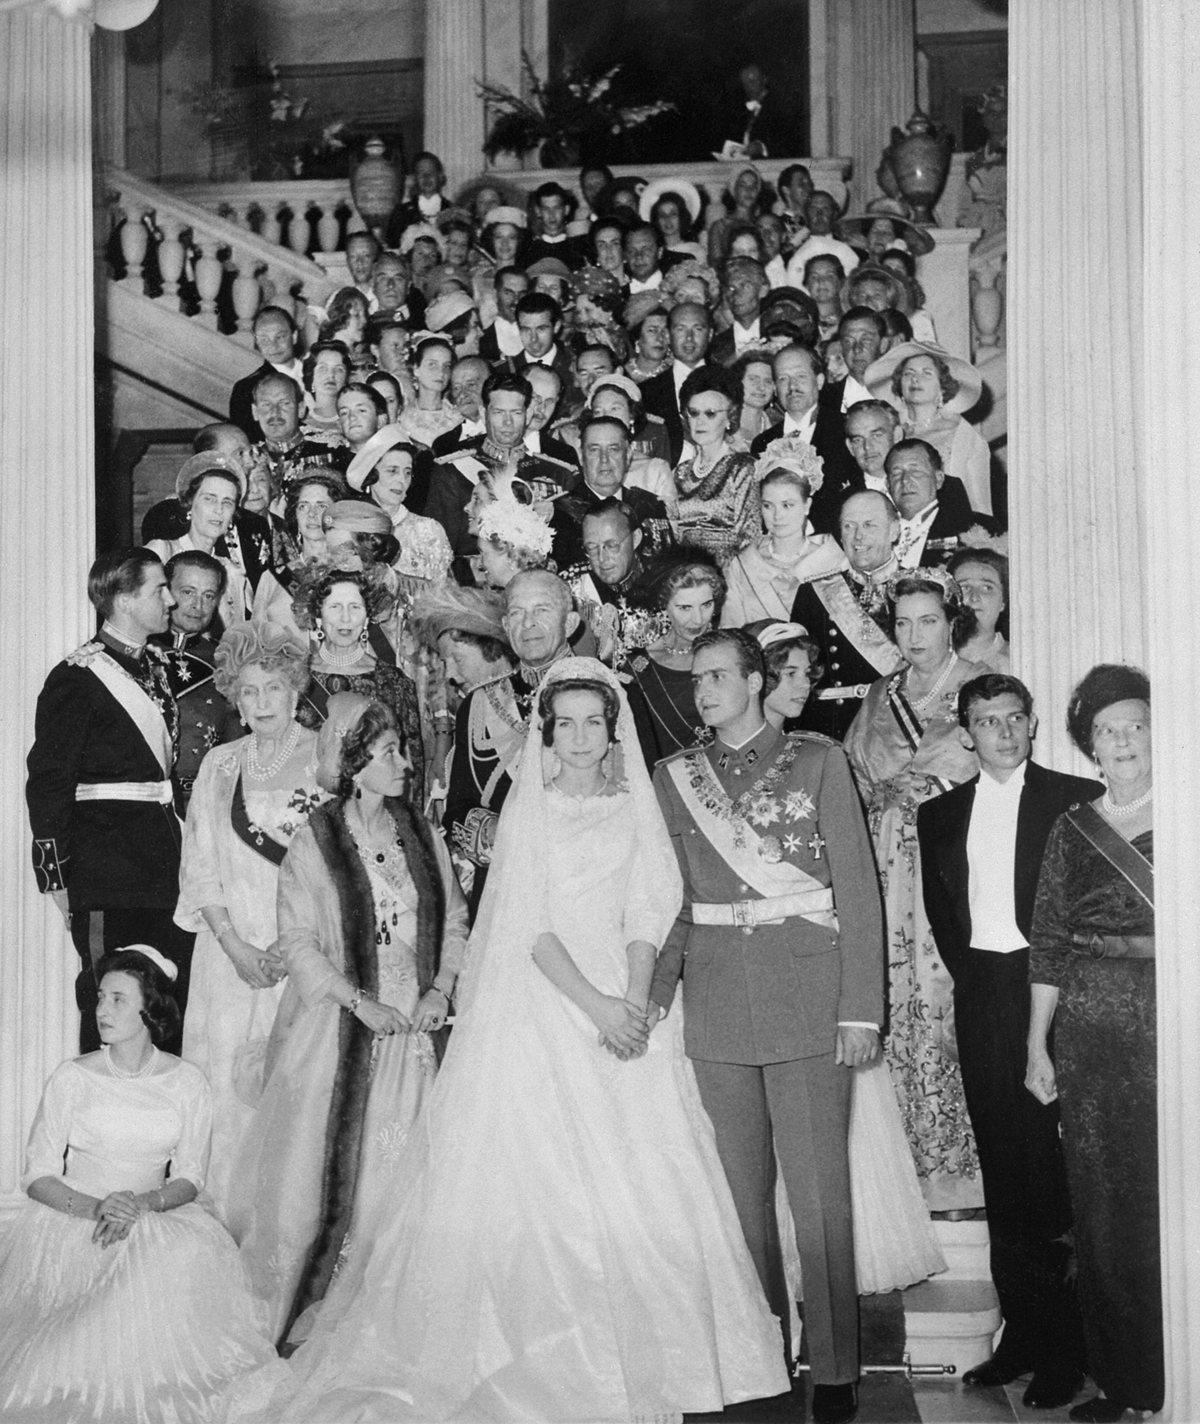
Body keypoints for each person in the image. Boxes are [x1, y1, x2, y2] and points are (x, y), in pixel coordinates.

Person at [226, 659, 790, 1422]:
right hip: (550, 1000)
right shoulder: (537, 808)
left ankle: (670, 1357)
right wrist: (597, 1007)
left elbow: (649, 904)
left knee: (648, 1175)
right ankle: (558, 1354)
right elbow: (529, 927)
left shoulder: (635, 805)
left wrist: (633, 998)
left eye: (596, 721)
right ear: (547, 732)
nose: (583, 737)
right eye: (567, 723)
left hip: (625, 1002)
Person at [650, 628, 886, 1424]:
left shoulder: (817, 763)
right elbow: (669, 903)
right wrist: (651, 1001)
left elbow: (857, 889)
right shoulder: (673, 778)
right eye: (697, 678)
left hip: (809, 999)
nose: (704, 690)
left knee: (819, 1195)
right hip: (715, 1004)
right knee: (737, 1199)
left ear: (758, 681)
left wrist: (861, 1009)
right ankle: (761, 1351)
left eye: (719, 675)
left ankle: (836, 1366)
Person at [230, 696, 468, 1344]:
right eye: (390, 751)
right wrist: (358, 1000)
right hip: (342, 1025)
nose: (403, 762)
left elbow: (453, 920)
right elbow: (299, 940)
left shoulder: (421, 831)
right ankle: (318, 1311)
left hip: (418, 1035)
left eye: (401, 749)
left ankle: (403, 1319)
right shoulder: (318, 838)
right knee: (327, 1182)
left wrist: (440, 989)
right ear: (356, 761)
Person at [917, 673, 1098, 1408]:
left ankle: (1065, 1349)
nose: (1003, 731)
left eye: (1014, 718)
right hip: (984, 991)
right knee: (1002, 1168)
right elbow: (942, 916)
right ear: (967, 731)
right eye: (987, 720)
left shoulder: (1073, 800)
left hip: (1051, 988)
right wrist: (981, 986)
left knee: (1049, 1175)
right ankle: (1019, 1338)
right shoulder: (939, 816)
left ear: (1031, 724)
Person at [0, 946, 276, 1423]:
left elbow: (190, 1175)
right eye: (101, 998)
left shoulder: (187, 1081)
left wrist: (143, 1204)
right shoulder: (73, 1077)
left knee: (171, 1268)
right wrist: (97, 1208)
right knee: (61, 1357)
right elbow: (36, 1174)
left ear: (151, 1008)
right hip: (77, 1217)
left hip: (152, 1214)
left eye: (118, 1000)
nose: (102, 1011)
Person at [1026, 666, 1161, 1423]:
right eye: (1108, 731)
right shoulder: (1074, 828)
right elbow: (1047, 943)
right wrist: (1036, 1047)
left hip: (1175, 1018)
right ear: (1089, 747)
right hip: (1094, 1035)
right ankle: (1125, 1382)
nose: (1123, 741)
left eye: (1136, 724)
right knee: (1107, 1207)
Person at [844, 571, 988, 1211]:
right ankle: (901, 1178)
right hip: (880, 868)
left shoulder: (977, 687)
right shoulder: (880, 694)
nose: (913, 635)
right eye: (902, 623)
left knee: (940, 1003)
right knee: (889, 999)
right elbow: (852, 769)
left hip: (948, 869)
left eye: (927, 621)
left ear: (950, 622)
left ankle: (957, 1176)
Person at [173, 624, 324, 1219]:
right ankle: (222, 1221)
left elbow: (338, 870)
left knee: (294, 1088)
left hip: (303, 955)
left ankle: (288, 1225)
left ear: (295, 690)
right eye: (250, 692)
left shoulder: (322, 757)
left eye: (274, 690)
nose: (261, 704)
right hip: (229, 958)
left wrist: (297, 948)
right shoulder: (219, 764)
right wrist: (234, 946)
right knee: (227, 1089)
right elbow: (199, 867)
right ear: (234, 696)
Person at [27, 550, 189, 1051]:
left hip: (163, 865)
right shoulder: (77, 677)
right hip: (106, 872)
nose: (170, 599)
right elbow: (49, 780)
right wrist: (57, 875)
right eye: (159, 589)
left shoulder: (158, 666)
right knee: (109, 1003)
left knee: (160, 1003)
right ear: (122, 600)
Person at [443, 569, 579, 915]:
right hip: (503, 896)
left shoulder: (610, 694)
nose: (528, 624)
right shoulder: (477, 704)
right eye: (517, 613)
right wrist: (496, 836)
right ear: (505, 625)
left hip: (581, 888)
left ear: (572, 622)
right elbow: (457, 810)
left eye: (543, 611)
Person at [291, 566, 426, 800]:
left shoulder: (393, 682)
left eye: (355, 607)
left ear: (367, 616)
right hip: (302, 808)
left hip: (371, 815)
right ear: (318, 614)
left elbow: (410, 771)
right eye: (335, 607)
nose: (346, 618)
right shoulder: (293, 678)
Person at [792, 490, 906, 739]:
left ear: (894, 530)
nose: (858, 537)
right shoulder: (813, 594)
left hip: (901, 727)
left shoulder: (922, 589)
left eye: (869, 525)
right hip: (833, 729)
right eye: (849, 526)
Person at [722, 435, 848, 626]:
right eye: (767, 506)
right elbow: (732, 631)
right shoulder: (743, 564)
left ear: (807, 505)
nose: (776, 516)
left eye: (787, 505)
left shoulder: (835, 559)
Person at [867, 340, 994, 517]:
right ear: (899, 386)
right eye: (908, 373)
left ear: (942, 387)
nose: (915, 379)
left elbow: (980, 508)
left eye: (926, 374)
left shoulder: (962, 435)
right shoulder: (888, 432)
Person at [158, 549, 238, 815]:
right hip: (149, 809)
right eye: (187, 592)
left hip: (209, 804)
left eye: (208, 596)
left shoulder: (226, 661)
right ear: (166, 592)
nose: (198, 605)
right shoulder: (139, 654)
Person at [750, 344, 862, 533]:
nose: (792, 387)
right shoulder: (762, 443)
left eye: (800, 377)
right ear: (775, 388)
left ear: (819, 381)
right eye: (783, 379)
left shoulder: (845, 430)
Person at [626, 549, 726, 760]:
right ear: (665, 606)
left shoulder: (731, 655)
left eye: (706, 605)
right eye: (685, 608)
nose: (698, 620)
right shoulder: (638, 666)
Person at [146, 455, 254, 627]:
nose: (218, 510)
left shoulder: (232, 572)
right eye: (209, 499)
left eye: (227, 502)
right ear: (190, 504)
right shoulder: (162, 552)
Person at [550, 413, 670, 568]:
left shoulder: (649, 505)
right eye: (594, 450)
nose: (604, 459)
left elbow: (666, 568)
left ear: (628, 456)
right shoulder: (560, 512)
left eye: (614, 449)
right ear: (580, 456)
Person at [561, 499, 664, 668]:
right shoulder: (571, 588)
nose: (602, 559)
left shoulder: (665, 583)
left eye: (611, 545)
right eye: (592, 548)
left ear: (636, 538)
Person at [673, 364, 760, 559]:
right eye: (693, 413)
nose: (700, 421)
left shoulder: (744, 468)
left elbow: (749, 539)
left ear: (730, 417)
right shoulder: (679, 473)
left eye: (710, 413)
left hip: (731, 578)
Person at [347, 427, 453, 583]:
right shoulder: (349, 528)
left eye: (407, 472)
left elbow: (442, 593)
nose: (402, 480)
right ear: (370, 475)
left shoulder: (428, 530)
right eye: (392, 471)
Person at [251, 472, 344, 631]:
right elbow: (255, 640)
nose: (311, 514)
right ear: (295, 516)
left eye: (321, 506)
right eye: (303, 506)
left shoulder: (350, 571)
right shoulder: (272, 578)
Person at [886, 437, 978, 568]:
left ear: (938, 479)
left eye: (915, 472)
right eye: (896, 474)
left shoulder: (974, 529)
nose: (905, 480)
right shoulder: (875, 532)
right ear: (887, 484)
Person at [640, 300, 714, 463]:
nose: (689, 338)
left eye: (698, 329)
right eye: (680, 329)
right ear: (667, 335)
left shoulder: (728, 383)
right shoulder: (647, 392)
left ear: (710, 335)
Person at [230, 305, 305, 443]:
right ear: (257, 342)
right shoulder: (245, 389)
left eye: (280, 337)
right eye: (264, 339)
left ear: (294, 337)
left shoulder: (318, 373)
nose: (273, 345)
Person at [948, 544, 1011, 670]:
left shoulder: (1019, 659)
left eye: (987, 588)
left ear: (1003, 602)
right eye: (964, 587)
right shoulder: (928, 658)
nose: (974, 597)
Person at [395, 335, 461, 449]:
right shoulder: (402, 418)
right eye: (432, 365)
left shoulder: (458, 416)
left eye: (446, 366)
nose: (441, 373)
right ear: (416, 368)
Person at [785, 191, 860, 282]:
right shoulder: (794, 256)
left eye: (825, 209)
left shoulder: (850, 251)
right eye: (813, 209)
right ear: (805, 215)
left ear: (834, 214)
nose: (819, 214)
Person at [844, 397, 903, 495]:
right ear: (850, 447)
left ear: (897, 435)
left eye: (876, 435)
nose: (867, 446)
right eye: (858, 440)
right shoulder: (841, 501)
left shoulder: (922, 486)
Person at [300, 340, 352, 442]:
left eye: (339, 369)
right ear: (311, 376)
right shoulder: (300, 423)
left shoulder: (352, 421)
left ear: (346, 378)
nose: (331, 375)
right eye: (323, 368)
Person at [731, 347, 778, 448]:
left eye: (768, 381)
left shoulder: (779, 430)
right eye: (753, 379)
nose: (761, 387)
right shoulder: (721, 427)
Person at [624, 294, 672, 384]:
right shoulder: (621, 374)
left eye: (665, 331)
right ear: (638, 337)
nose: (660, 338)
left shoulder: (675, 375)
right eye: (652, 331)